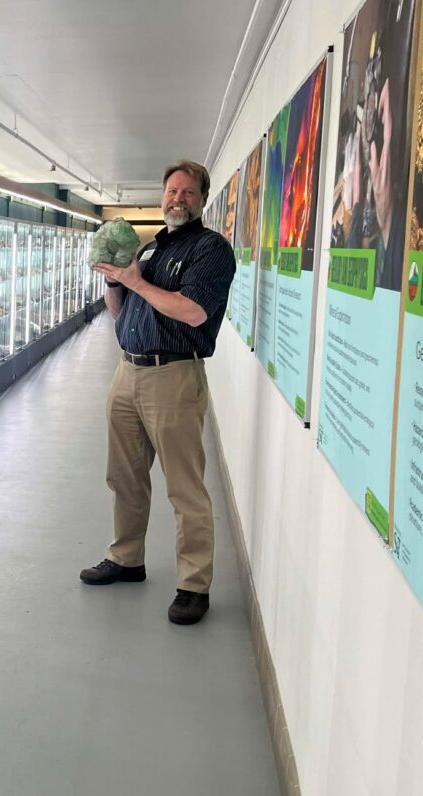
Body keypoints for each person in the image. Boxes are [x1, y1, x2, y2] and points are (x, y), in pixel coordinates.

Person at [81, 160, 236, 625]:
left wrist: (135, 281)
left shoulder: (211, 250)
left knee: (185, 488)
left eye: (188, 193)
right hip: (127, 373)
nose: (178, 199)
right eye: (172, 191)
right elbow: (119, 308)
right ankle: (127, 557)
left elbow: (191, 312)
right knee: (124, 476)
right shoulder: (152, 249)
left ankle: (194, 585)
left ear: (202, 200)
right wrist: (115, 281)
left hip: (173, 378)